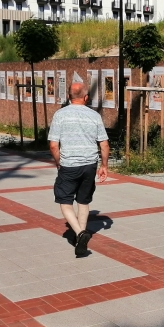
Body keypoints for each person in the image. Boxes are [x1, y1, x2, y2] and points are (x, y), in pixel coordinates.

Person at [48, 82, 109, 256]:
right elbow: (104, 144)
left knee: (65, 201)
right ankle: (80, 241)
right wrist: (104, 165)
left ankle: (81, 233)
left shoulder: (60, 115)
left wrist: (59, 162)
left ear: (68, 97)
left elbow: (53, 145)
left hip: (69, 165)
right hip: (90, 165)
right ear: (86, 97)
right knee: (84, 201)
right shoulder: (94, 116)